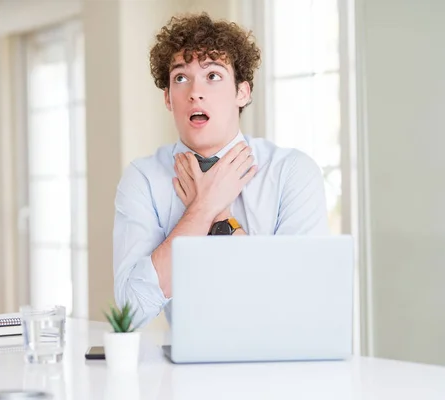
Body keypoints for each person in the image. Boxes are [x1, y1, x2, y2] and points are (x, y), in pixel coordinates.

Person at [113, 12, 329, 328]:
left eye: (213, 76)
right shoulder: (143, 179)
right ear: (168, 99)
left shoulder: (292, 173)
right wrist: (202, 209)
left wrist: (221, 218)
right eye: (181, 78)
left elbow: (296, 304)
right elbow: (130, 313)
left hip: (281, 370)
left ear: (243, 92)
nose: (194, 93)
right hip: (184, 372)